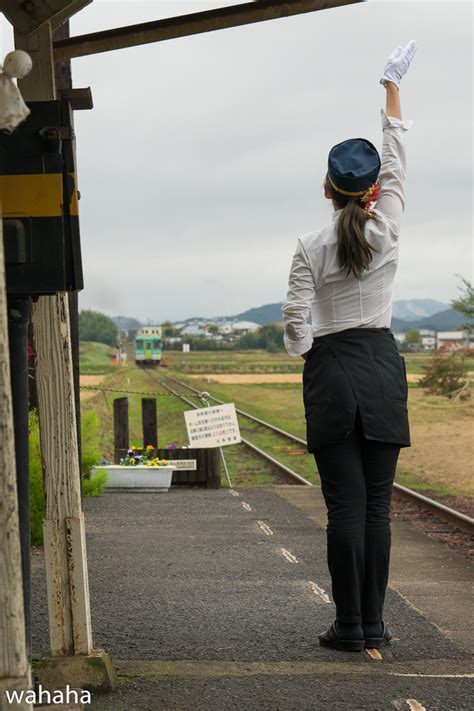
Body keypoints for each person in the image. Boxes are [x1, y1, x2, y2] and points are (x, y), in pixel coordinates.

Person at [282, 41, 417, 652]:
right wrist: (391, 87)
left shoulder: (309, 245)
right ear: (370, 193)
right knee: (379, 510)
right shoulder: (386, 228)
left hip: (332, 368)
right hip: (383, 367)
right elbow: (396, 160)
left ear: (326, 189)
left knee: (345, 509)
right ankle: (377, 625)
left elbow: (293, 318)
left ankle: (348, 625)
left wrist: (308, 350)